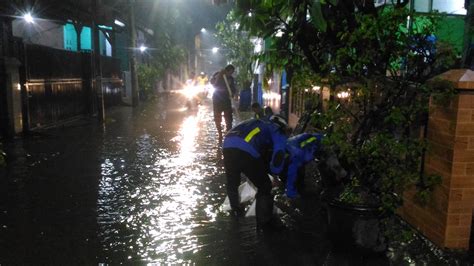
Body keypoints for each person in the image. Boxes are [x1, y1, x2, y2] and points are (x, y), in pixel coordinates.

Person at [222, 115, 289, 231]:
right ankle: (264, 224)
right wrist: (276, 174)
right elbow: (279, 154)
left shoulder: (256, 122)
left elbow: (261, 157)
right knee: (265, 186)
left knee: (233, 182)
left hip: (227, 145)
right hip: (246, 149)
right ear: (282, 127)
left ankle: (236, 211)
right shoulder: (276, 129)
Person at [282, 133, 347, 199]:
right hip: (316, 147)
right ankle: (336, 184)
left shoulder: (292, 153)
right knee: (323, 165)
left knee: (332, 165)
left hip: (318, 147)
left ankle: (341, 182)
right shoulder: (289, 147)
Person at [211, 65, 236, 141]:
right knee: (217, 117)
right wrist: (220, 75)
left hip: (226, 100)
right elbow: (213, 84)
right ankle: (220, 134)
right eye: (230, 72)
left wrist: (232, 93)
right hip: (217, 100)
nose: (230, 74)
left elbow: (233, 88)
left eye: (232, 73)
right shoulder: (218, 75)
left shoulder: (231, 79)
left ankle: (228, 133)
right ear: (226, 70)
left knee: (228, 117)